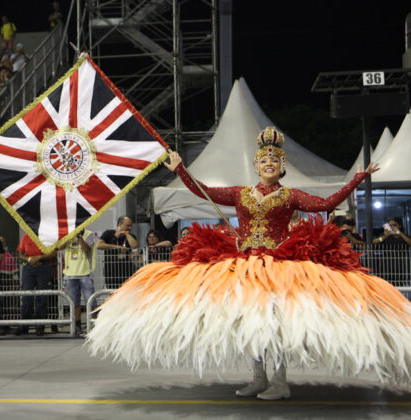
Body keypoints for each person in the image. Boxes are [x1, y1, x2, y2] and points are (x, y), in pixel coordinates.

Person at [87, 127, 411, 400]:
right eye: (264, 160)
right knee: (253, 321)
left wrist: (357, 179)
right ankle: (258, 376)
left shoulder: (290, 196)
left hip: (278, 264)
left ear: (282, 167)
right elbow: (204, 191)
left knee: (276, 323)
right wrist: (180, 170)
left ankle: (281, 380)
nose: (269, 163)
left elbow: (327, 203)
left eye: (275, 160)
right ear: (257, 165)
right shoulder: (241, 194)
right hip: (244, 263)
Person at [16, 233, 56, 336]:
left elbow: (53, 253)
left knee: (41, 298)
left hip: (44, 267)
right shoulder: (26, 236)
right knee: (26, 298)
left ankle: (40, 327)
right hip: (29, 268)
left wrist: (39, 258)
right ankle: (24, 326)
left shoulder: (48, 236)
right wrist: (30, 260)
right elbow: (20, 255)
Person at [60, 230, 96, 336]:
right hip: (70, 273)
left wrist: (79, 236)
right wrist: (69, 236)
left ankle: (95, 324)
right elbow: (60, 247)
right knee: (74, 302)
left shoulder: (88, 234)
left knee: (91, 301)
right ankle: (77, 326)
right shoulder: (68, 234)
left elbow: (86, 248)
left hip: (85, 273)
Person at [96, 216, 138, 289]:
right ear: (120, 224)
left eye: (131, 226)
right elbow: (99, 245)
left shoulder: (130, 236)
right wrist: (117, 247)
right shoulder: (109, 233)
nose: (130, 228)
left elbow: (134, 245)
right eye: (127, 225)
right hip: (111, 272)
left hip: (127, 271)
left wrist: (126, 233)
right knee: (112, 293)